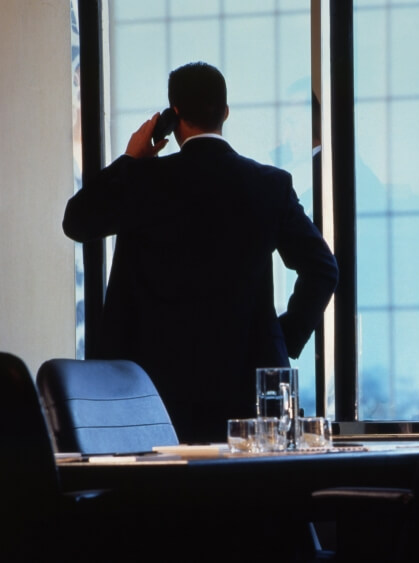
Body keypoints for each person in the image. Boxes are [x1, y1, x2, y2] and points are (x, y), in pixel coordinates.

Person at [63, 62, 338, 443]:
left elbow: (76, 222)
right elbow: (323, 269)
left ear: (173, 117)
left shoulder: (144, 182)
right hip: (243, 388)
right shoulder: (268, 185)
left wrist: (130, 161)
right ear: (225, 112)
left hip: (153, 391)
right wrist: (281, 337)